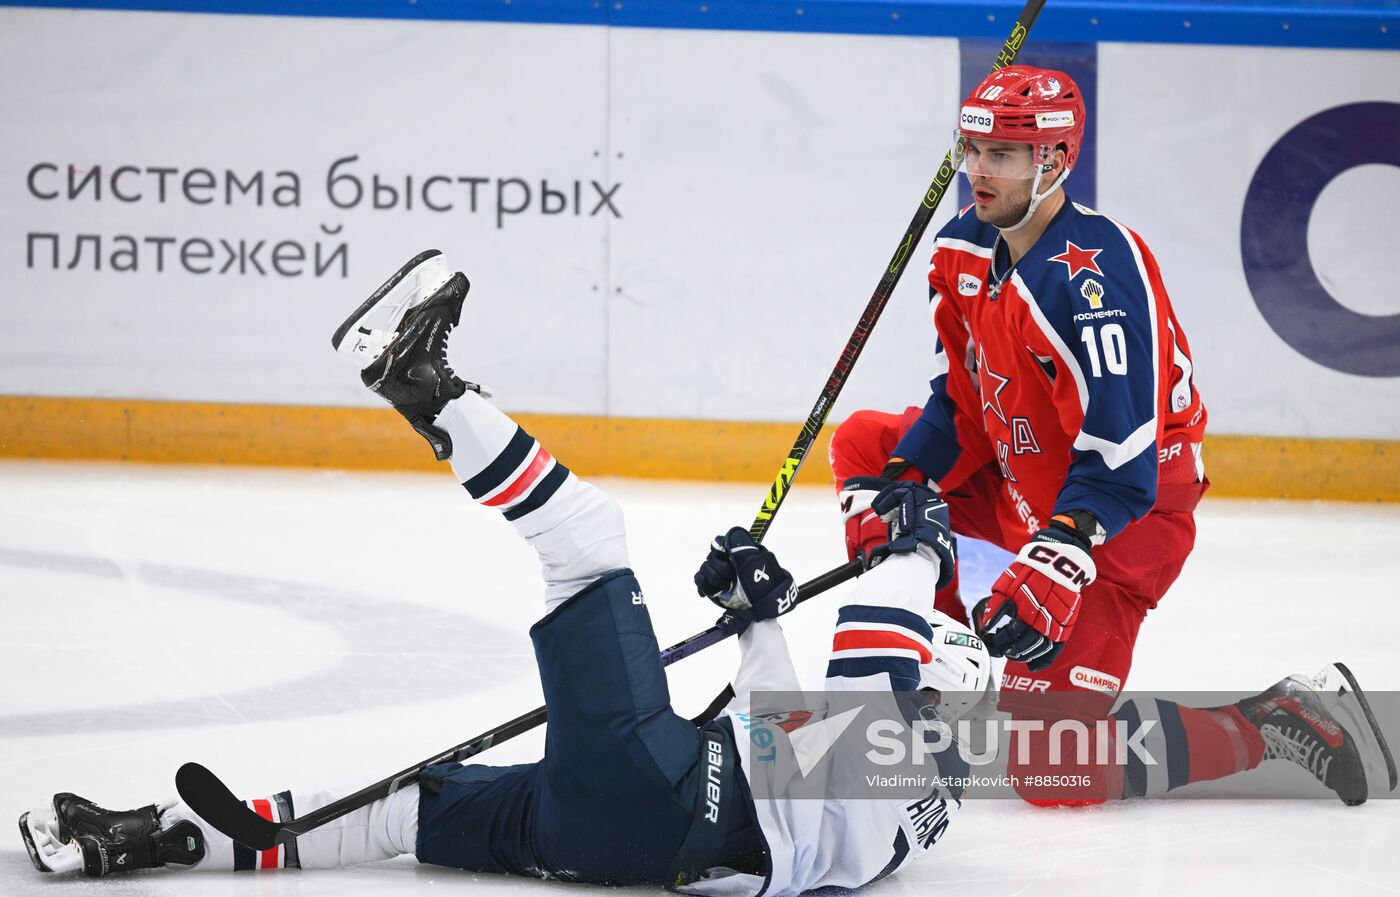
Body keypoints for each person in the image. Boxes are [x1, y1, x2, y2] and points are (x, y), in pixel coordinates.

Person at [19, 250, 988, 889]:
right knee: (411, 807)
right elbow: (790, 737)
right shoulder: (896, 808)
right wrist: (753, 611)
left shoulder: (893, 747)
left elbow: (874, 644)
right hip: (616, 840)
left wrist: (914, 544)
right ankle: (154, 838)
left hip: (659, 791)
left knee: (584, 540)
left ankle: (425, 388)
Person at [829, 65, 1396, 804]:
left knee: (1050, 768)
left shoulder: (1096, 279)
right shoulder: (962, 250)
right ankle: (935, 672)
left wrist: (1061, 551)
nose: (977, 171)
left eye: (1001, 154)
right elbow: (961, 408)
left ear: (1055, 161)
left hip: (1123, 518)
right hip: (1022, 472)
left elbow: (1122, 456)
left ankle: (1277, 718)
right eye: (973, 150)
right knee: (873, 453)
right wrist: (907, 485)